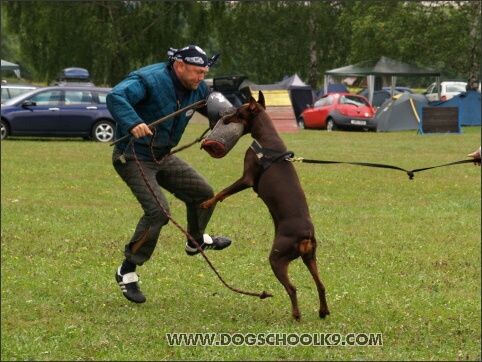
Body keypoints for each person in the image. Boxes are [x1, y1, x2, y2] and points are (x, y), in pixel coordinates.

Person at [106, 45, 232, 304]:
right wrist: (133, 122)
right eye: (197, 72)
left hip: (162, 155)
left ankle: (195, 241)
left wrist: (231, 117)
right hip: (132, 155)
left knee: (203, 194)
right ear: (179, 66)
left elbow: (220, 111)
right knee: (158, 212)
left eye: (204, 72)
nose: (201, 78)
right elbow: (116, 96)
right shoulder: (148, 80)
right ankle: (127, 270)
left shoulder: (198, 88)